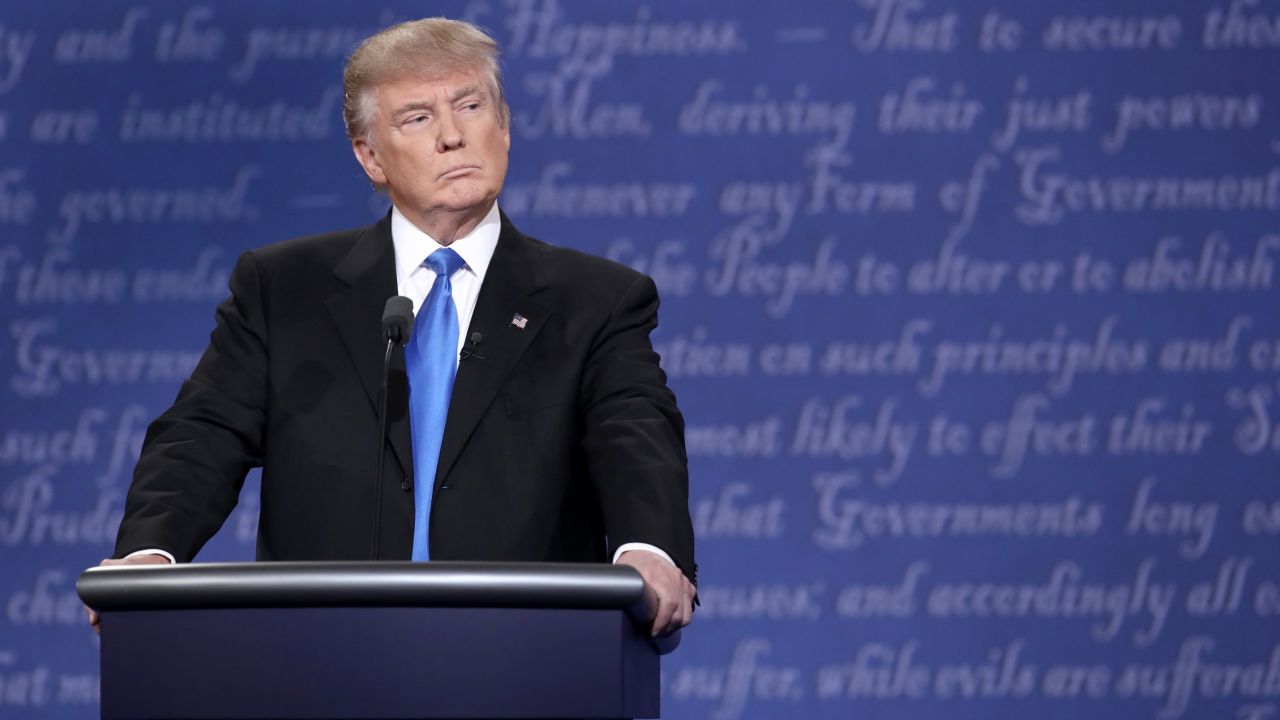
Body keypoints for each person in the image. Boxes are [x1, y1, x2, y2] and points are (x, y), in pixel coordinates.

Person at [89, 17, 696, 637]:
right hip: (324, 654)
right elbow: (203, 434)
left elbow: (636, 433)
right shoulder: (284, 289)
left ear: (505, 127)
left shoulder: (595, 299)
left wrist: (649, 550)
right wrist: (149, 552)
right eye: (418, 118)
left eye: (470, 105)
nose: (453, 136)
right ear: (370, 156)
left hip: (524, 649)